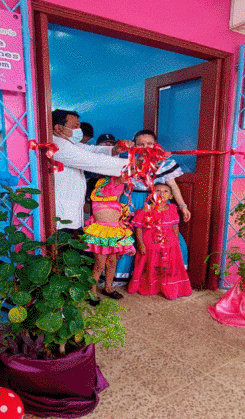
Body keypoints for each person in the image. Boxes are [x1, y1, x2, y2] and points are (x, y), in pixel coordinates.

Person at [113, 129, 191, 287]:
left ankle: (162, 277)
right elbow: (119, 188)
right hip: (131, 202)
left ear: (156, 145)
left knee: (164, 238)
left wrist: (183, 206)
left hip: (156, 204)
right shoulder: (127, 162)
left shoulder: (164, 164)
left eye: (149, 144)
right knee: (129, 236)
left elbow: (173, 187)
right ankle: (126, 277)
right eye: (141, 144)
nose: (145, 147)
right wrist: (114, 207)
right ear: (134, 145)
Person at [51, 109, 132, 232]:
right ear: (58, 128)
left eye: (79, 126)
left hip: (71, 212)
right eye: (75, 126)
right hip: (61, 216)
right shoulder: (56, 145)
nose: (79, 130)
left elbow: (92, 150)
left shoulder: (70, 144)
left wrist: (114, 150)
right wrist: (130, 165)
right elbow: (93, 160)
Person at [128, 183, 192, 299]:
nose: (161, 194)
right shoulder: (144, 210)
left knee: (167, 265)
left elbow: (175, 227)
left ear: (171, 196)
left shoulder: (172, 209)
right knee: (151, 264)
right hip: (150, 244)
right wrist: (141, 245)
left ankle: (168, 286)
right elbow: (138, 229)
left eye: (165, 191)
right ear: (150, 194)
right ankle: (152, 286)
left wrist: (175, 242)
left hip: (169, 244)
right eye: (157, 190)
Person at [81, 176, 135, 300]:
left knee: (112, 263)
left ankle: (108, 288)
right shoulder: (98, 199)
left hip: (114, 235)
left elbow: (121, 225)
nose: (117, 190)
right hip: (100, 235)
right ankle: (92, 292)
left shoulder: (117, 204)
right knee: (99, 264)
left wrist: (129, 245)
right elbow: (115, 182)